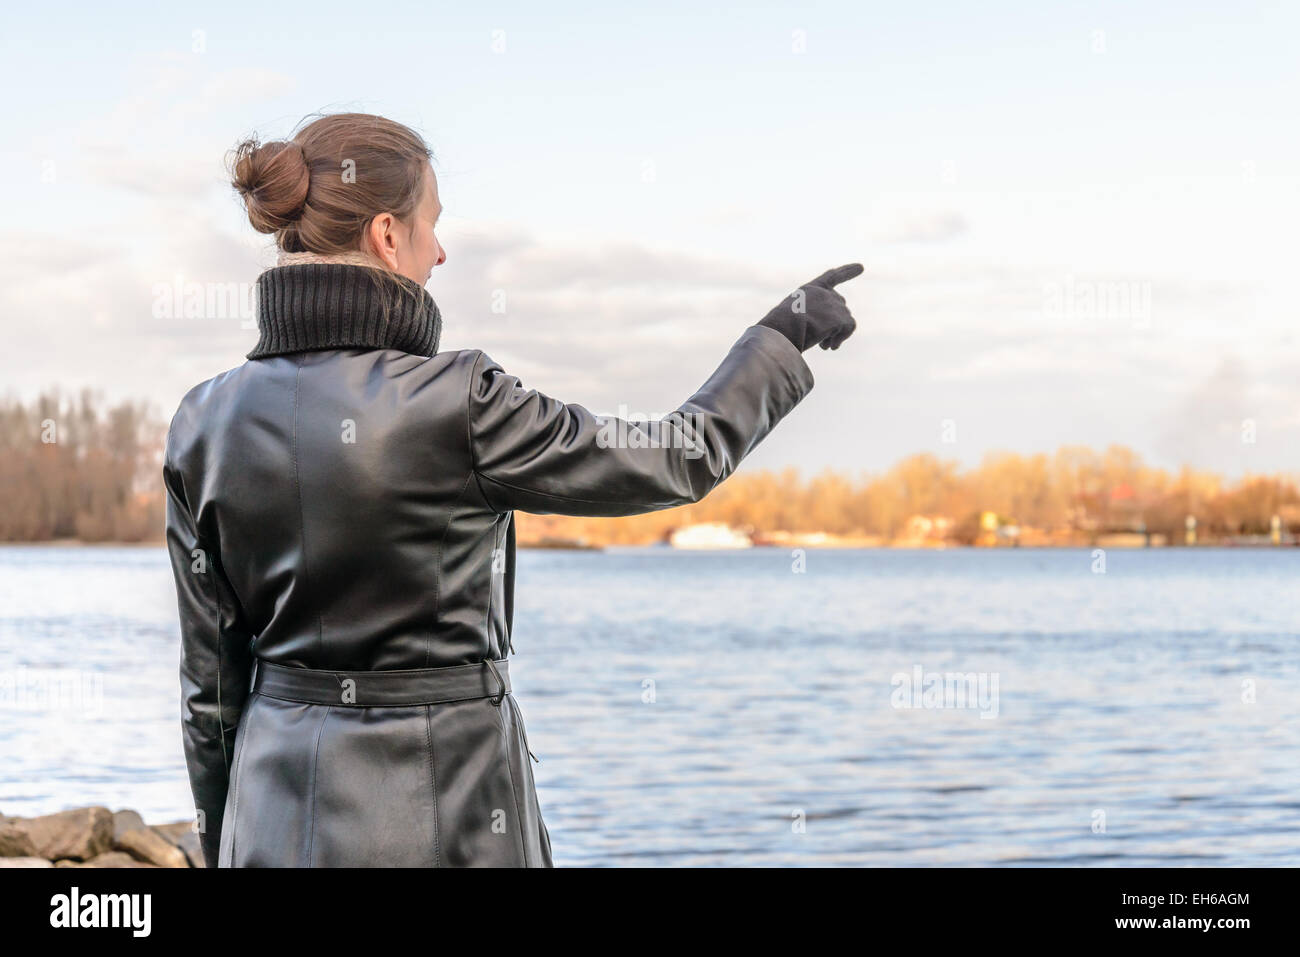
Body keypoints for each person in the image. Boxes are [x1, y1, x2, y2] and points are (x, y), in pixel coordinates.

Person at [163, 111, 863, 867]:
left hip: (270, 816)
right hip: (450, 813)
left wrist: (218, 832)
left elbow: (211, 688)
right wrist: (779, 338)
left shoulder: (202, 420)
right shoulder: (459, 401)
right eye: (433, 224)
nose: (441, 250)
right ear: (387, 235)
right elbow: (672, 457)